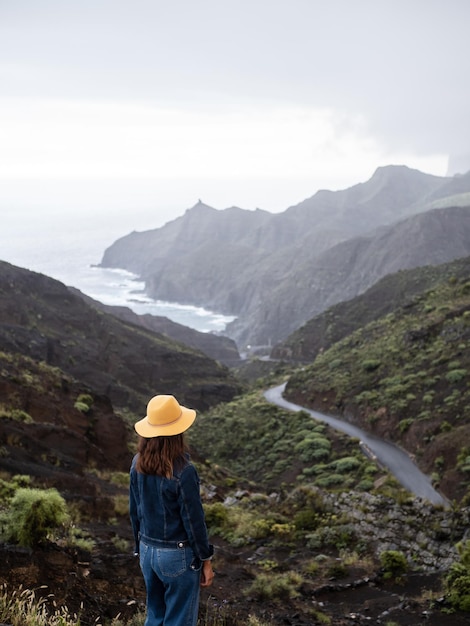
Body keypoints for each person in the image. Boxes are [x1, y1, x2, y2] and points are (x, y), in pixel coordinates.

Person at [129, 394, 214, 626]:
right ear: (178, 432)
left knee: (155, 617)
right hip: (177, 556)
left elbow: (134, 511)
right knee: (179, 621)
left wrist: (139, 548)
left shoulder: (137, 463)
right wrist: (206, 559)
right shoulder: (184, 471)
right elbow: (194, 522)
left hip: (147, 551)